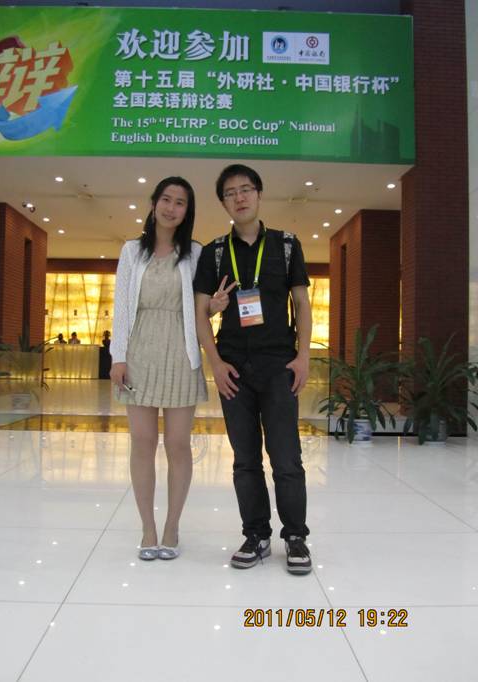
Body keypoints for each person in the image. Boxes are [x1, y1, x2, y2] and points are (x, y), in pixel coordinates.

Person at [194, 164, 313, 575]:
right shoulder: (213, 253)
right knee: (245, 459)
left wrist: (303, 356)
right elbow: (200, 314)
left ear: (259, 194)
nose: (239, 198)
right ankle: (257, 535)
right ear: (223, 202)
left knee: (286, 458)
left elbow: (301, 303)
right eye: (230, 193)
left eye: (246, 189)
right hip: (234, 371)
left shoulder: (286, 245)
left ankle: (295, 537)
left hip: (279, 366)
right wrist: (215, 363)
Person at [110, 176, 210, 562]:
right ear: (153, 204)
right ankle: (147, 528)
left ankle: (172, 526)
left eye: (180, 202)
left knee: (178, 444)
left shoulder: (195, 253)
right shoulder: (131, 251)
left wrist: (213, 308)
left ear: (188, 211)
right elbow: (121, 307)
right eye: (166, 199)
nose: (171, 208)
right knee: (143, 442)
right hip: (139, 352)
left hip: (182, 354)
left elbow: (199, 308)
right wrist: (118, 357)